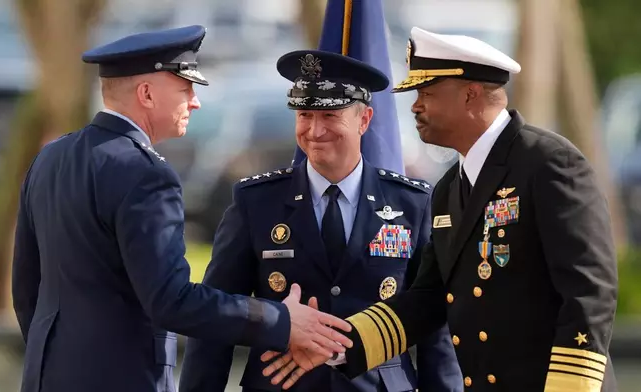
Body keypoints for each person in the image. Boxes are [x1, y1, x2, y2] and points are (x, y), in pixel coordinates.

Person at [261, 27, 619, 392]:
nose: (415, 105)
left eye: (427, 93)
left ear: (470, 95)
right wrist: (334, 346)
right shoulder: (450, 187)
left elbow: (588, 294)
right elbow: (428, 298)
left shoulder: (548, 163)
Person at [11, 25, 353, 392]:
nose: (195, 101)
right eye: (185, 88)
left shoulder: (50, 158)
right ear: (146, 94)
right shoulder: (145, 173)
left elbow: (27, 289)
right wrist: (280, 320)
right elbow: (171, 300)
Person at [178, 49, 463, 392]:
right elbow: (216, 321)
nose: (314, 130)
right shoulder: (256, 202)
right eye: (305, 115)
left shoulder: (411, 203)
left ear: (365, 119)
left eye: (330, 116)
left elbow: (435, 327)